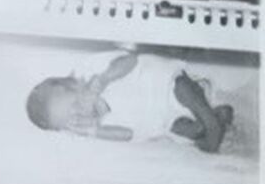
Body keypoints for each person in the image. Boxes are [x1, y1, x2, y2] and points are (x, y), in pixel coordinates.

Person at [26, 50, 233, 153]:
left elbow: (130, 60)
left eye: (74, 106)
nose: (80, 115)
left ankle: (210, 120)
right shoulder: (96, 127)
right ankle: (212, 120)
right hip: (164, 119)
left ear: (73, 84)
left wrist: (105, 78)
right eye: (71, 122)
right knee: (185, 129)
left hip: (165, 86)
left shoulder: (91, 71)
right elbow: (128, 134)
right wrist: (95, 132)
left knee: (184, 91)